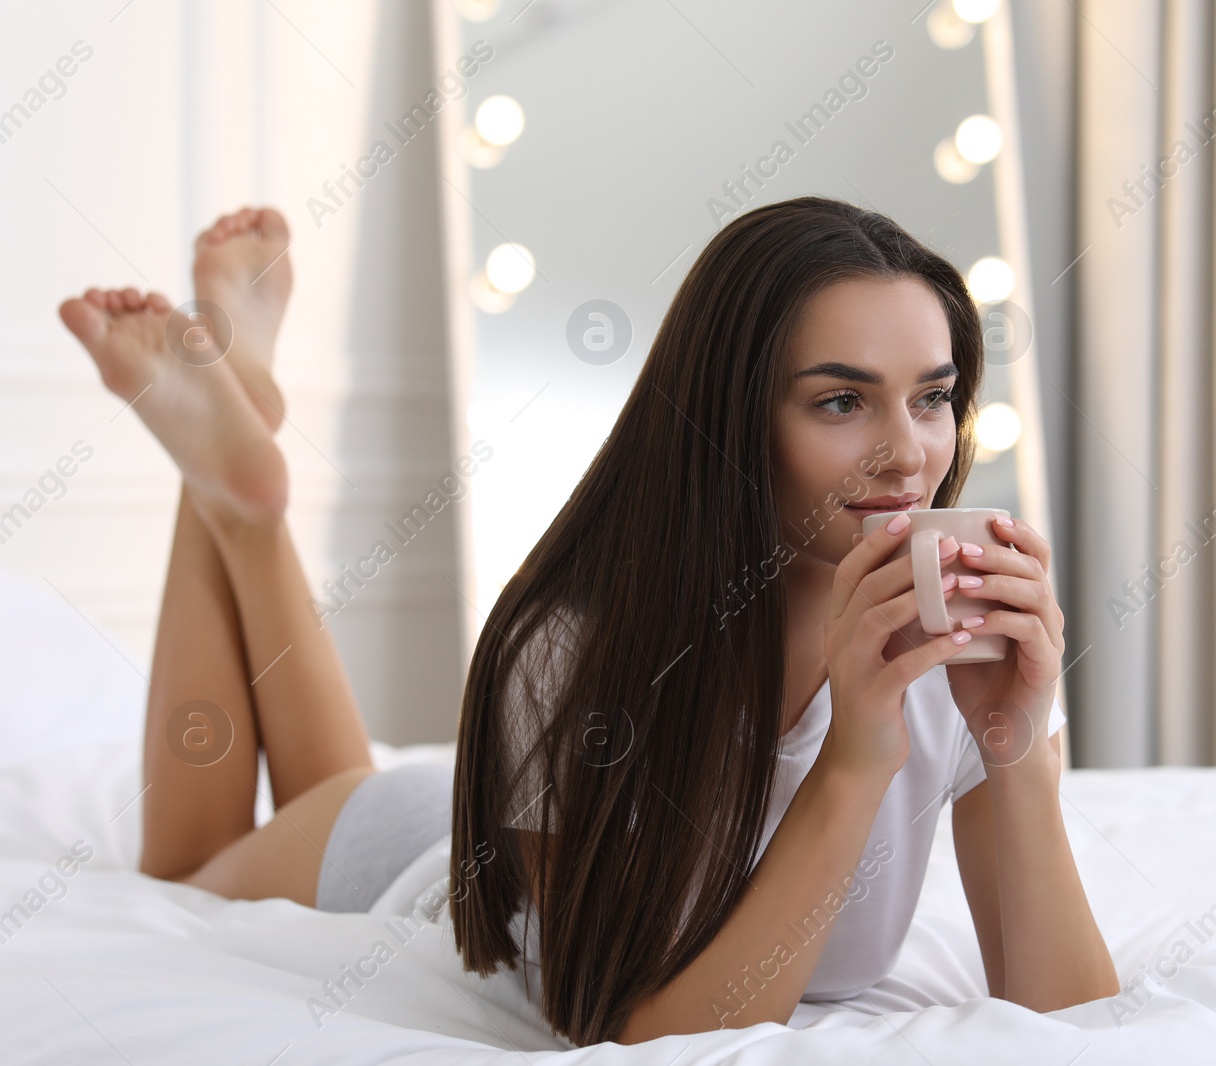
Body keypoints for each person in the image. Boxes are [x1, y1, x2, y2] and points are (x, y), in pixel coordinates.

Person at [58, 196, 1117, 1049]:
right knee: (186, 869)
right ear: (730, 414)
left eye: (931, 397)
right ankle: (236, 496)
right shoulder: (573, 650)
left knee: (327, 774)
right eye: (841, 402)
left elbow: (1073, 1019)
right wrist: (851, 760)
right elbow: (643, 1032)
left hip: (506, 809)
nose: (908, 454)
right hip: (421, 854)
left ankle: (242, 465)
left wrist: (1011, 744)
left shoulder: (956, 640)